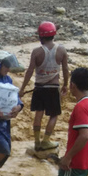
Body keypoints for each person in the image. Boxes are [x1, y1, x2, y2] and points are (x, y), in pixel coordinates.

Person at [19, 21, 69, 151]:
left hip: (39, 88)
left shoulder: (36, 52)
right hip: (53, 88)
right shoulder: (61, 50)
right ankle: (46, 141)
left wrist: (22, 88)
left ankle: (36, 142)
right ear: (54, 35)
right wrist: (65, 85)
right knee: (53, 115)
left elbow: (30, 71)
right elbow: (65, 69)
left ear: (41, 37)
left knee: (38, 114)